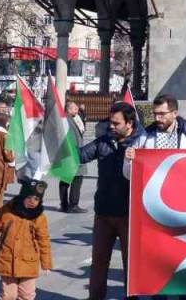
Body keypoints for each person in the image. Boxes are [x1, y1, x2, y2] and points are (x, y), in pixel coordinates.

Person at [80, 102, 142, 300]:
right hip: (103, 212)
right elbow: (80, 155)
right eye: (110, 122)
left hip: (129, 215)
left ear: (129, 123)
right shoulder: (104, 141)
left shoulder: (142, 143)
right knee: (98, 262)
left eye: (116, 123)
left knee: (130, 264)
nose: (111, 126)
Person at [0, 178, 53, 300]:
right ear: (22, 196)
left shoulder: (39, 217)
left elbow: (44, 240)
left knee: (26, 295)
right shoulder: (8, 211)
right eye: (29, 197)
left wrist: (46, 263)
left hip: (28, 262)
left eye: (36, 199)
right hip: (7, 261)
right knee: (9, 295)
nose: (32, 201)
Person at [60, 101, 89, 213]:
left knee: (65, 180)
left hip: (69, 154)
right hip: (73, 154)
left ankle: (64, 204)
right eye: (75, 108)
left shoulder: (73, 118)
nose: (77, 110)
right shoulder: (67, 120)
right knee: (76, 179)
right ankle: (73, 205)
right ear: (69, 109)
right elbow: (70, 138)